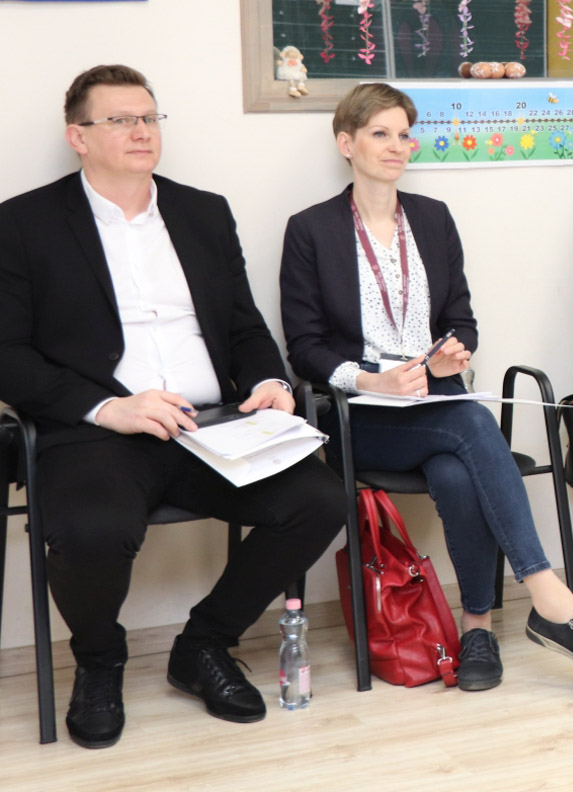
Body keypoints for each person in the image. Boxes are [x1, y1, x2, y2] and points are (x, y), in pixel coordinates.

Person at [0, 65, 346, 749]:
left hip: (211, 426)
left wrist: (269, 381)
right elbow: (8, 353)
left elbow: (243, 324)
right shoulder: (23, 223)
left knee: (318, 499)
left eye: (149, 117)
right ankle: (99, 661)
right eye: (120, 120)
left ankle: (204, 645)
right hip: (98, 433)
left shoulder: (202, 212)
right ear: (78, 136)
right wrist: (107, 408)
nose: (141, 131)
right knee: (91, 530)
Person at [280, 84, 573, 687]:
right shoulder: (311, 229)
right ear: (346, 143)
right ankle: (552, 600)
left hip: (436, 402)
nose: (397, 146)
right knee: (473, 423)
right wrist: (374, 379)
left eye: (404, 134)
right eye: (380, 134)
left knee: (456, 470)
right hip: (361, 413)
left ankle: (477, 631)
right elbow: (304, 347)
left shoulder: (431, 218)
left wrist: (451, 355)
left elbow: (460, 319)